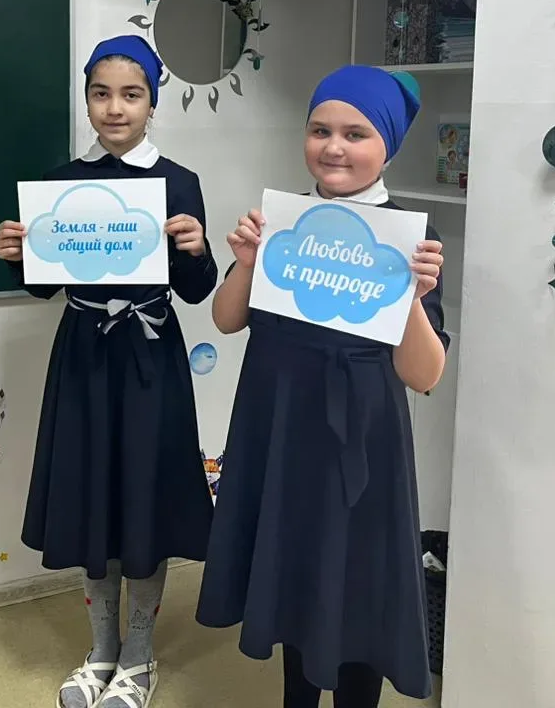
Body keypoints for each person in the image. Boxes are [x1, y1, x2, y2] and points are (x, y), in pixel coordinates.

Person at [196, 64, 448, 708]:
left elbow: (424, 374)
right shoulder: (283, 224)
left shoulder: (409, 239)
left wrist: (411, 298)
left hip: (361, 440)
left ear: (387, 145)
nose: (334, 147)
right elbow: (226, 320)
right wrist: (245, 264)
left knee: (355, 587)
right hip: (281, 427)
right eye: (320, 130)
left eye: (355, 134)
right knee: (294, 578)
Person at [0, 35, 217, 708]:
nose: (115, 108)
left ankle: (139, 656)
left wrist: (198, 250)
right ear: (87, 98)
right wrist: (15, 255)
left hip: (149, 355)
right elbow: (44, 287)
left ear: (152, 102)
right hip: (85, 356)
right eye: (101, 93)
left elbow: (197, 290)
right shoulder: (60, 180)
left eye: (131, 94)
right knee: (92, 497)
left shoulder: (179, 181)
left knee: (143, 500)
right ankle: (101, 651)